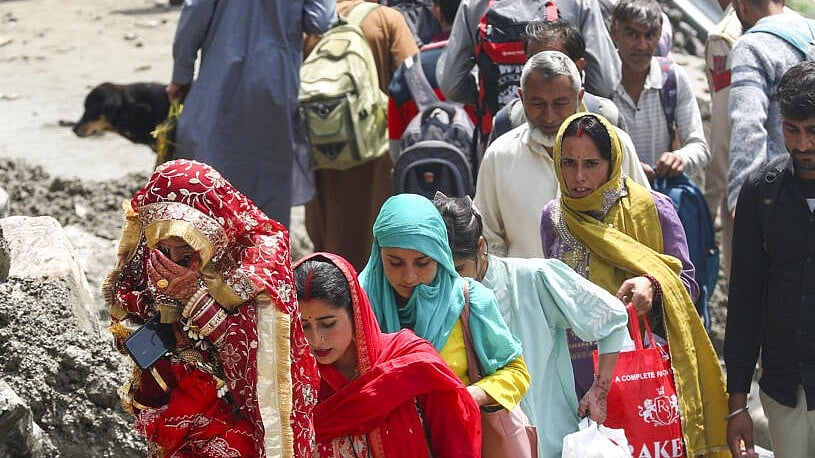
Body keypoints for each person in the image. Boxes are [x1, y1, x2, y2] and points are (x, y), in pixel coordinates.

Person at [540, 113, 728, 456]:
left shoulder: (653, 208)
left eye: (591, 164)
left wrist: (652, 285)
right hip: (578, 373)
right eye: (569, 162)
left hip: (645, 373)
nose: (579, 176)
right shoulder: (554, 218)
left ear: (612, 163)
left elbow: (687, 284)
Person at [103, 159, 319, 457]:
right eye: (164, 250)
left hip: (242, 422)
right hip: (177, 403)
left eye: (186, 251)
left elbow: (261, 359)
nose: (172, 259)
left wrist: (196, 300)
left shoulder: (257, 264)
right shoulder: (153, 258)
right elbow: (133, 309)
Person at [433, 193, 628, 458]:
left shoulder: (533, 278)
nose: (451, 282)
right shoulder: (427, 298)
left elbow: (613, 317)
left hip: (549, 440)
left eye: (459, 269)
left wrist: (599, 391)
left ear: (481, 247)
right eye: (441, 271)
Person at [293, 252, 481, 457]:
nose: (316, 339)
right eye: (304, 326)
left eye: (328, 324)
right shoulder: (297, 381)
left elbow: (456, 444)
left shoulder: (414, 364)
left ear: (355, 311)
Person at [166, 0, 335, 228]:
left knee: (212, 177)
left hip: (220, 81)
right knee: (268, 186)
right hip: (275, 86)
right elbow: (320, 20)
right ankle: (265, 257)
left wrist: (181, 75)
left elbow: (195, 13)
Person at [359, 193, 530, 416]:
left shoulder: (470, 301)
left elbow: (516, 372)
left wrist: (468, 395)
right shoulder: (358, 303)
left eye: (422, 262)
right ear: (377, 254)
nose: (409, 276)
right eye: (395, 262)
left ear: (440, 255)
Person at [475, 51, 649, 258]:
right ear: (521, 98)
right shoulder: (499, 156)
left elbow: (644, 221)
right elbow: (488, 238)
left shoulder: (617, 146)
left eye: (560, 103)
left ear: (579, 97)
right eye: (537, 103)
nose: (549, 116)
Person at [725, 61, 815, 458]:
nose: (801, 145)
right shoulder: (762, 193)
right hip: (784, 390)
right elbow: (744, 300)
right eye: (791, 130)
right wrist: (738, 404)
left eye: (813, 131)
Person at [305, 0, 419, 272]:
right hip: (375, 156)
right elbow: (414, 80)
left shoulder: (313, 26)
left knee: (330, 246)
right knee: (376, 243)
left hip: (323, 156)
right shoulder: (387, 20)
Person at [437, 0, 621, 105]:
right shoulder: (579, 3)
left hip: (498, 135)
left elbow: (450, 84)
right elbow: (604, 83)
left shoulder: (475, 4)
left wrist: (487, 99)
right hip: (565, 139)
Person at [726, 0, 813, 216]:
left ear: (742, 5)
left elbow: (748, 124)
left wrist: (741, 199)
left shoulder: (752, 46)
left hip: (782, 195)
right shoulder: (811, 31)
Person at [609, 0, 710, 183]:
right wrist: (627, 166)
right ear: (614, 32)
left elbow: (699, 147)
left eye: (650, 35)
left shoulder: (673, 78)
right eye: (632, 34)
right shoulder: (600, 81)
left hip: (659, 197)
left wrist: (680, 158)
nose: (642, 45)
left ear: (660, 34)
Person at [488, 18, 627, 144]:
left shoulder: (607, 119)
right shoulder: (506, 123)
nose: (549, 118)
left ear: (578, 66)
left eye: (560, 103)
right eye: (536, 64)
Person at [703, 0, 742, 280]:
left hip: (746, 192)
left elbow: (724, 129)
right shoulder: (800, 26)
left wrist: (710, 202)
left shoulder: (726, 36)